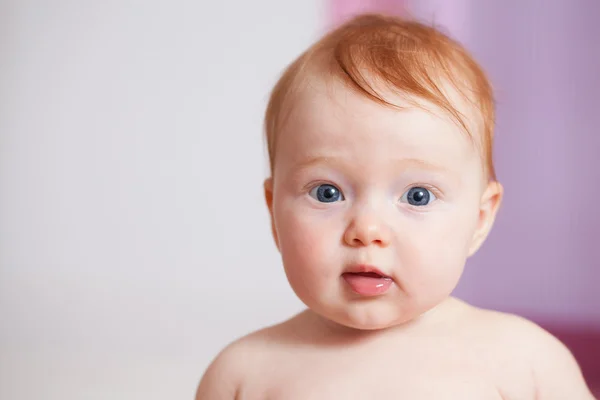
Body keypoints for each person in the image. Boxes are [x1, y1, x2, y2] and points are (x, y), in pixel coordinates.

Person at [196, 13, 596, 399]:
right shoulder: (243, 376)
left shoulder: (525, 362)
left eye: (417, 196)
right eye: (327, 192)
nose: (367, 229)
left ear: (479, 219)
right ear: (273, 213)